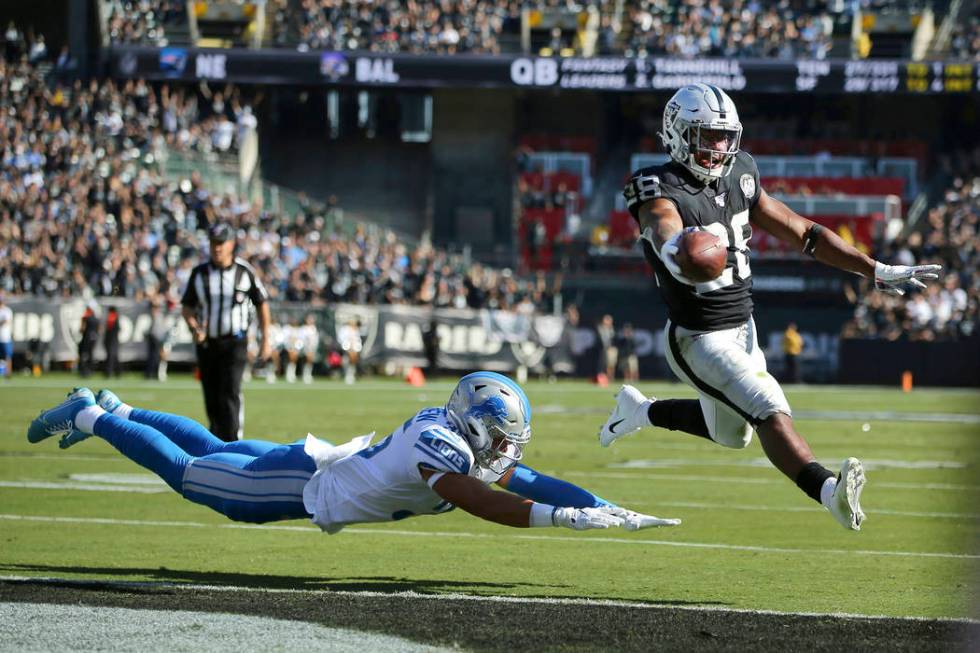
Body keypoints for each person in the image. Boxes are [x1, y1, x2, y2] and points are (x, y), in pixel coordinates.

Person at [602, 83, 942, 531]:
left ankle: (639, 410)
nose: (719, 147)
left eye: (725, 136)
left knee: (734, 435)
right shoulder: (656, 185)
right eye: (707, 135)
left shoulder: (740, 172)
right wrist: (675, 249)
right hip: (697, 337)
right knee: (767, 404)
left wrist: (874, 269)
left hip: (744, 327)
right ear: (678, 133)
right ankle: (829, 491)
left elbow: (804, 233)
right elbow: (661, 220)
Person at [26, 372, 679, 534]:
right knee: (195, 475)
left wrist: (603, 505)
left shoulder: (459, 433)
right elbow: (481, 499)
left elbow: (529, 476)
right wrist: (560, 520)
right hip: (305, 486)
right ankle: (90, 412)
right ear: (475, 424)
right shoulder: (444, 447)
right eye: (500, 435)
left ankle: (122, 408)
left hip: (318, 462)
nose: (506, 449)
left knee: (218, 448)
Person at [182, 223, 272, 441]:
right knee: (211, 397)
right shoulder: (200, 274)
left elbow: (262, 303)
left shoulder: (244, 272)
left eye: (221, 243)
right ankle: (215, 441)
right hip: (207, 344)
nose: (217, 248)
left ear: (231, 244)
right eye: (213, 243)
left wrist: (265, 340)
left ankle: (233, 442)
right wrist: (195, 328)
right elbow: (187, 307)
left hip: (235, 342)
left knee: (229, 393)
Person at [103, 307, 121, 378]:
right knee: (114, 356)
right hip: (114, 340)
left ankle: (109, 372)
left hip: (111, 340)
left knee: (111, 356)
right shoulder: (115, 317)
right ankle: (118, 372)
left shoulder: (112, 317)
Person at [0, 293, 12, 379]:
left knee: (7, 356)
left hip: (5, 337)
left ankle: (8, 373)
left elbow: (7, 321)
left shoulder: (7, 310)